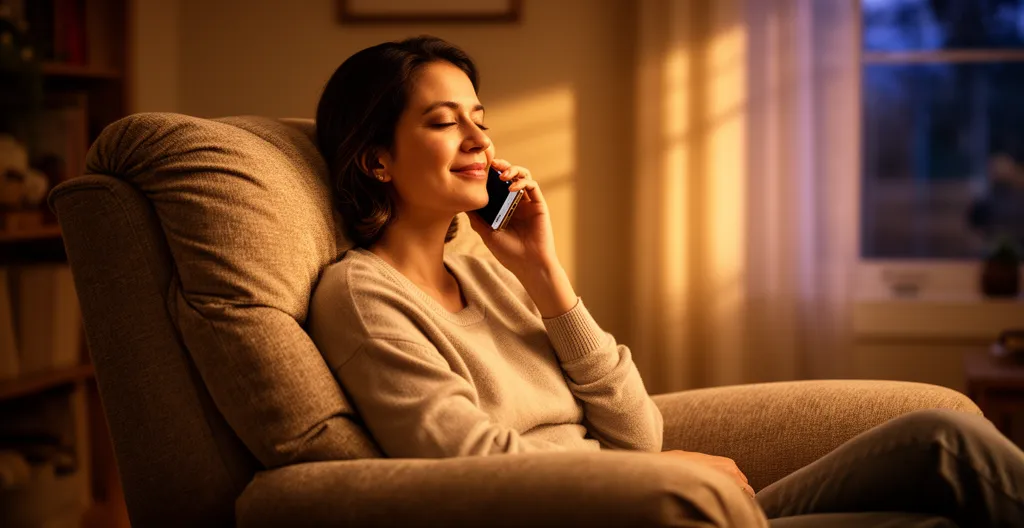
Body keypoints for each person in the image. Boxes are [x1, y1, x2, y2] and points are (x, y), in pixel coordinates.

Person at [309, 35, 1024, 527]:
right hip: (620, 514)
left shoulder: (486, 275)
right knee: (943, 446)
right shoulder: (363, 299)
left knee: (932, 502)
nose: (479, 141)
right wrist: (649, 479)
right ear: (376, 160)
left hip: (652, 499)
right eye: (443, 123)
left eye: (480, 120)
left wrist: (545, 274)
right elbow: (466, 465)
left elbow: (636, 428)